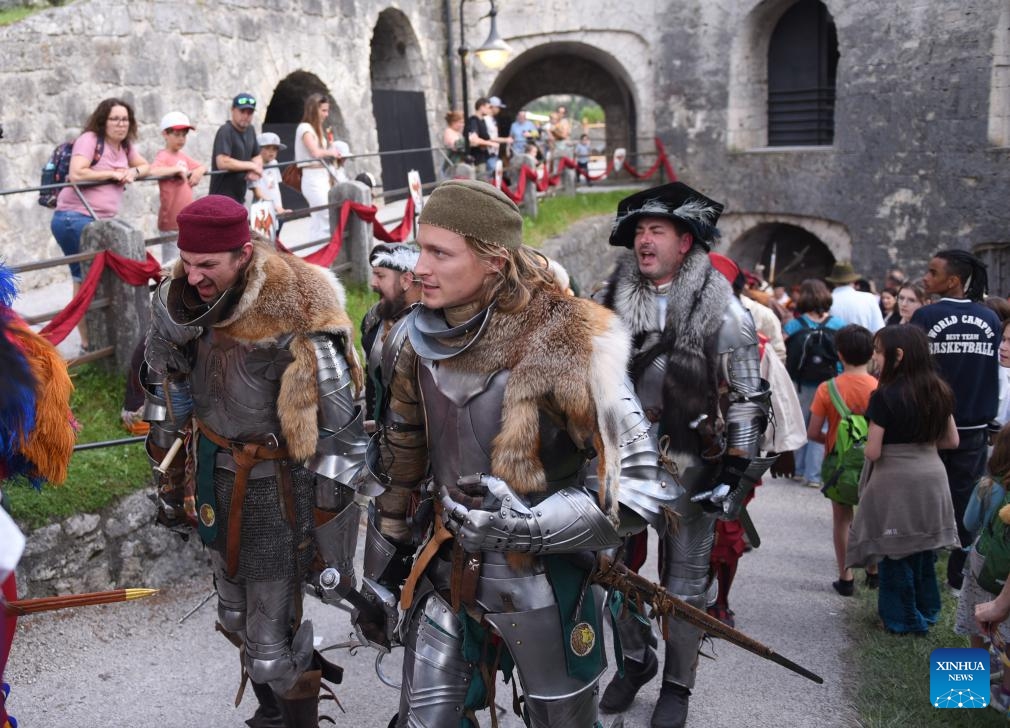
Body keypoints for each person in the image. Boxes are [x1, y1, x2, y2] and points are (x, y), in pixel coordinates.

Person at [364, 179, 676, 727]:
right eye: (420, 249)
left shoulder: (567, 340)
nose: (419, 269)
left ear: (493, 261)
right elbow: (401, 463)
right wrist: (378, 576)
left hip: (545, 577)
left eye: (440, 253)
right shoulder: (410, 339)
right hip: (446, 568)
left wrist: (525, 528)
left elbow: (638, 483)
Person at [142, 195, 368, 727]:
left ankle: (298, 717)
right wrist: (168, 475)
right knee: (233, 615)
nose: (193, 275)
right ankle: (274, 710)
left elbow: (341, 433)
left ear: (243, 255)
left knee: (268, 643)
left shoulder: (298, 307)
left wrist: (330, 548)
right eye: (187, 261)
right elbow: (167, 385)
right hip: (212, 472)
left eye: (208, 265)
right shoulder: (179, 299)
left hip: (277, 487)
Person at [594, 182, 772, 728]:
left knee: (687, 585)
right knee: (607, 569)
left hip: (689, 462)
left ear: (685, 241)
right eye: (639, 232)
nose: (644, 241)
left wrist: (736, 476)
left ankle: (678, 686)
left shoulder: (727, 313)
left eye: (657, 231)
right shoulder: (605, 303)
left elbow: (748, 397)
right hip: (619, 462)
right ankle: (637, 658)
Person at [846, 325, 960, 634]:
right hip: (932, 476)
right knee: (923, 549)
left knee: (894, 551)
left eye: (879, 352)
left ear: (898, 355)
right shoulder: (939, 389)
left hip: (895, 481)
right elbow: (952, 440)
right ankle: (928, 610)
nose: (875, 358)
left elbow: (872, 451)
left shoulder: (884, 395)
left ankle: (902, 619)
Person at [912, 249, 1001, 591]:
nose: (925, 277)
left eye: (932, 272)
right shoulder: (990, 320)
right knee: (965, 502)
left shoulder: (926, 317)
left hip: (931, 426)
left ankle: (921, 565)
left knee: (923, 497)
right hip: (975, 427)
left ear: (951, 281)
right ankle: (956, 575)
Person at [50, 97, 150, 352]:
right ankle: (88, 344)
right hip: (74, 218)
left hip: (98, 221)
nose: (121, 124)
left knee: (92, 278)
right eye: (115, 119)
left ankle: (98, 342)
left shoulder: (125, 147)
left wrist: (132, 172)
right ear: (103, 121)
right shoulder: (90, 140)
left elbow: (145, 166)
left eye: (125, 119)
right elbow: (77, 173)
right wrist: (112, 173)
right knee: (83, 279)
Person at [806, 325, 878, 596]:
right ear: (872, 353)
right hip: (874, 462)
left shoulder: (828, 389)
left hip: (839, 465)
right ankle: (873, 572)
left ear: (839, 355)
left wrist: (833, 440)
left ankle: (845, 576)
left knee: (842, 519)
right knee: (871, 517)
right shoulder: (879, 387)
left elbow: (813, 432)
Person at [954, 423, 1010, 710]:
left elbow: (968, 524)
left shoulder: (988, 486)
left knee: (976, 617)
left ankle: (969, 686)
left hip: (982, 564)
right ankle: (1005, 691)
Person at [784, 279, 845, 489]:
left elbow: (785, 353)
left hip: (800, 383)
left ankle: (799, 470)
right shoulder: (837, 325)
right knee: (823, 425)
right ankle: (814, 474)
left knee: (800, 424)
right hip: (829, 383)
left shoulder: (794, 325)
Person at [360, 242, 421, 420]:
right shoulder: (373, 318)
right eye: (373, 274)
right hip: (377, 432)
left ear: (406, 280)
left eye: (380, 276)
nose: (373, 283)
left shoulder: (428, 326)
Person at [150, 111, 205, 264]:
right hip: (171, 222)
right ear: (165, 134)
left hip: (185, 220)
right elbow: (153, 170)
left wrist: (198, 172)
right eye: (177, 134)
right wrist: (176, 170)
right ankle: (168, 288)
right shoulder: (163, 156)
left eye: (184, 135)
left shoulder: (182, 156)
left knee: (185, 260)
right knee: (171, 263)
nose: (181, 139)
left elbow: (201, 166)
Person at [295, 93, 342, 242]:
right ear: (314, 109)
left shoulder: (316, 129)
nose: (326, 114)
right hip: (311, 177)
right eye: (323, 110)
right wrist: (331, 152)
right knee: (326, 214)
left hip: (321, 176)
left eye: (327, 110)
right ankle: (324, 252)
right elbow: (315, 152)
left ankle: (317, 256)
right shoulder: (305, 128)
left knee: (319, 219)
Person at [209, 92, 263, 204]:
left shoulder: (250, 130)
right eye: (242, 111)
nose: (246, 116)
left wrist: (256, 169)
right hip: (221, 199)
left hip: (239, 197)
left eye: (250, 112)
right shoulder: (225, 131)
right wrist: (251, 165)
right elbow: (222, 162)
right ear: (233, 110)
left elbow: (257, 155)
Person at [826, 261, 885, 332]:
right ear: (853, 280)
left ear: (833, 281)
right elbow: (879, 330)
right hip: (865, 342)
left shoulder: (826, 300)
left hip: (834, 342)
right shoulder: (869, 298)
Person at [251, 131, 289, 238]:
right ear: (258, 149)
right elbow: (258, 193)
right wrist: (276, 207)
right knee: (265, 243)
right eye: (267, 148)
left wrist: (280, 207)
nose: (271, 152)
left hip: (278, 210)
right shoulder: (254, 166)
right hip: (263, 212)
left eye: (275, 148)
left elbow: (275, 187)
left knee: (276, 239)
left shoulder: (274, 163)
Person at [441, 110, 466, 176]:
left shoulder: (457, 132)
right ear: (453, 122)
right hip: (451, 167)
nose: (462, 125)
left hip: (458, 166)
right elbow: (455, 145)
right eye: (461, 122)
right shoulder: (448, 131)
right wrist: (469, 140)